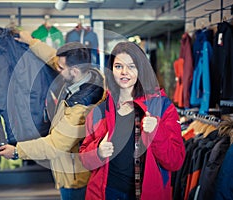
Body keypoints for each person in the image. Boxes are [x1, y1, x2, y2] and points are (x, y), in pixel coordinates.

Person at [0, 31, 106, 200]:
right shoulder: (87, 73)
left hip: (76, 180)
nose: (57, 68)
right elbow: (54, 59)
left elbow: (55, 144)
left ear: (75, 71)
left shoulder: (81, 107)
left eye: (62, 68)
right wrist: (31, 41)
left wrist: (18, 151)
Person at [79, 41, 186, 200]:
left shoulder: (162, 107)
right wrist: (98, 152)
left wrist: (157, 133)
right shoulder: (99, 111)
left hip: (146, 194)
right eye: (118, 66)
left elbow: (175, 161)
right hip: (105, 194)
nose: (124, 72)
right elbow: (85, 160)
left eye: (131, 66)